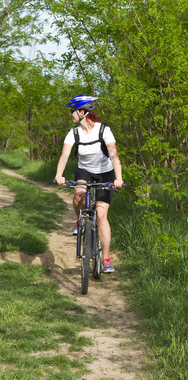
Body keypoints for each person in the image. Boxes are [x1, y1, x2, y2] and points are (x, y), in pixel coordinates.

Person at [55, 94, 123, 273]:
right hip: (84, 171)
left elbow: (114, 155)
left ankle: (106, 259)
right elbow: (64, 156)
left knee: (101, 215)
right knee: (78, 192)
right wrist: (59, 175)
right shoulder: (74, 132)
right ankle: (80, 220)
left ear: (83, 112)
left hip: (105, 174)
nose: (71, 114)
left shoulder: (104, 130)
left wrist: (119, 178)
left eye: (73, 111)